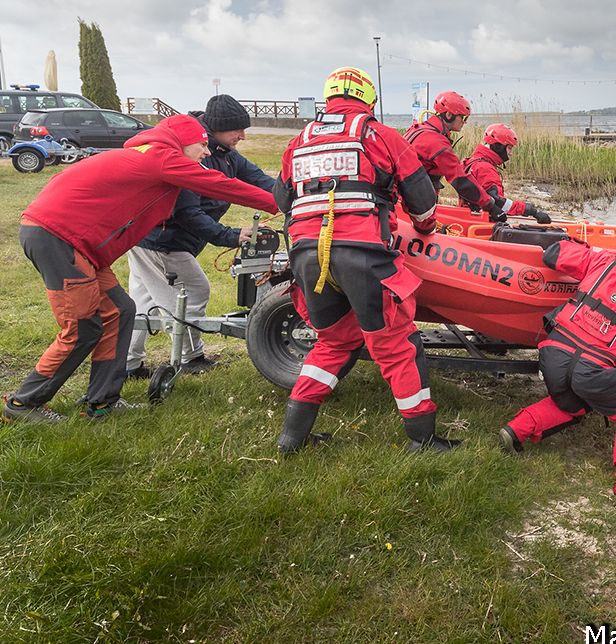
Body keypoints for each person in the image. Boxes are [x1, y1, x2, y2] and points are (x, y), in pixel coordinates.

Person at [2, 115, 279, 424]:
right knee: (82, 327)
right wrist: (282, 203)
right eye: (202, 145)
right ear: (183, 142)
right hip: (57, 237)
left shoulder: (153, 158)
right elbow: (220, 185)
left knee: (120, 311)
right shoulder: (162, 156)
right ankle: (22, 404)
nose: (206, 152)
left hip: (79, 244)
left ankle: (102, 402)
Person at [273, 66, 459, 454]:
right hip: (363, 257)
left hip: (307, 256)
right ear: (368, 99)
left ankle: (293, 437)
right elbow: (423, 203)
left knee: (333, 343)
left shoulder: (298, 142)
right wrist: (425, 229)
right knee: (397, 345)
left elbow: (282, 201)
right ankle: (422, 441)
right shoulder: (380, 134)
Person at [499, 236, 616, 501]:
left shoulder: (603, 260)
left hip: (554, 353)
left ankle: (516, 430)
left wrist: (587, 246)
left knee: (574, 404)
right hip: (594, 368)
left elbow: (553, 254)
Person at [125, 95, 275, 378]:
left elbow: (259, 180)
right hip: (162, 241)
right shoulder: (190, 154)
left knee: (141, 302)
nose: (242, 136)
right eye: (237, 130)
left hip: (153, 240)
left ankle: (127, 365)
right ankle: (189, 359)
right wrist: (232, 236)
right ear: (217, 128)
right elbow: (188, 215)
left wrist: (292, 195)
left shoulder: (224, 153)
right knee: (192, 290)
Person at [403, 91, 510, 220]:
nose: (464, 123)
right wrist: (490, 205)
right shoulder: (436, 141)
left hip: (405, 195)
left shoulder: (417, 129)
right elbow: (459, 179)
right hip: (412, 201)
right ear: (449, 115)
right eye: (463, 118)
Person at [461, 123, 552, 224]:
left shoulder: (473, 162)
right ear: (499, 147)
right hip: (480, 222)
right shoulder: (485, 169)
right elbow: (499, 203)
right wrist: (532, 211)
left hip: (469, 218)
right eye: (509, 148)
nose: (511, 153)